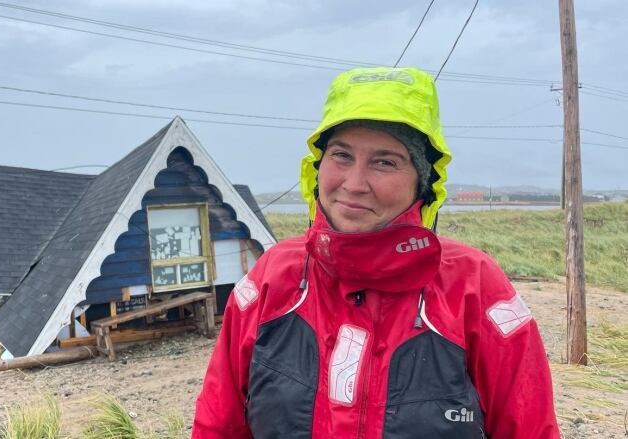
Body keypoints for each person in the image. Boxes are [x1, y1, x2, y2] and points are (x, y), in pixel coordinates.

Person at [192, 66, 560, 438]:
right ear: (317, 167)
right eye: (341, 155)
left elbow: (529, 427)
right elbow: (217, 424)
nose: (354, 184)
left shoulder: (473, 286)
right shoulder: (274, 276)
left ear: (423, 182)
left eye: (385, 162)